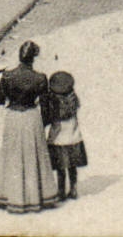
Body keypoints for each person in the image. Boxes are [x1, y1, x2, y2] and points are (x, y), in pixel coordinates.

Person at [0, 40, 59, 213]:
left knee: (11, 156)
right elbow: (45, 105)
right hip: (31, 117)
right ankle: (35, 196)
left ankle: (8, 195)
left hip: (13, 117)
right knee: (33, 155)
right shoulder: (40, 78)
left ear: (19, 56)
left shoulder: (7, 75)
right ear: (34, 58)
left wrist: (11, 99)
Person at [47, 71, 87, 201]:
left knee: (60, 168)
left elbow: (50, 117)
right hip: (74, 137)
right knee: (72, 167)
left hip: (58, 139)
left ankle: (61, 191)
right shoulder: (73, 99)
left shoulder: (54, 101)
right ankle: (73, 189)